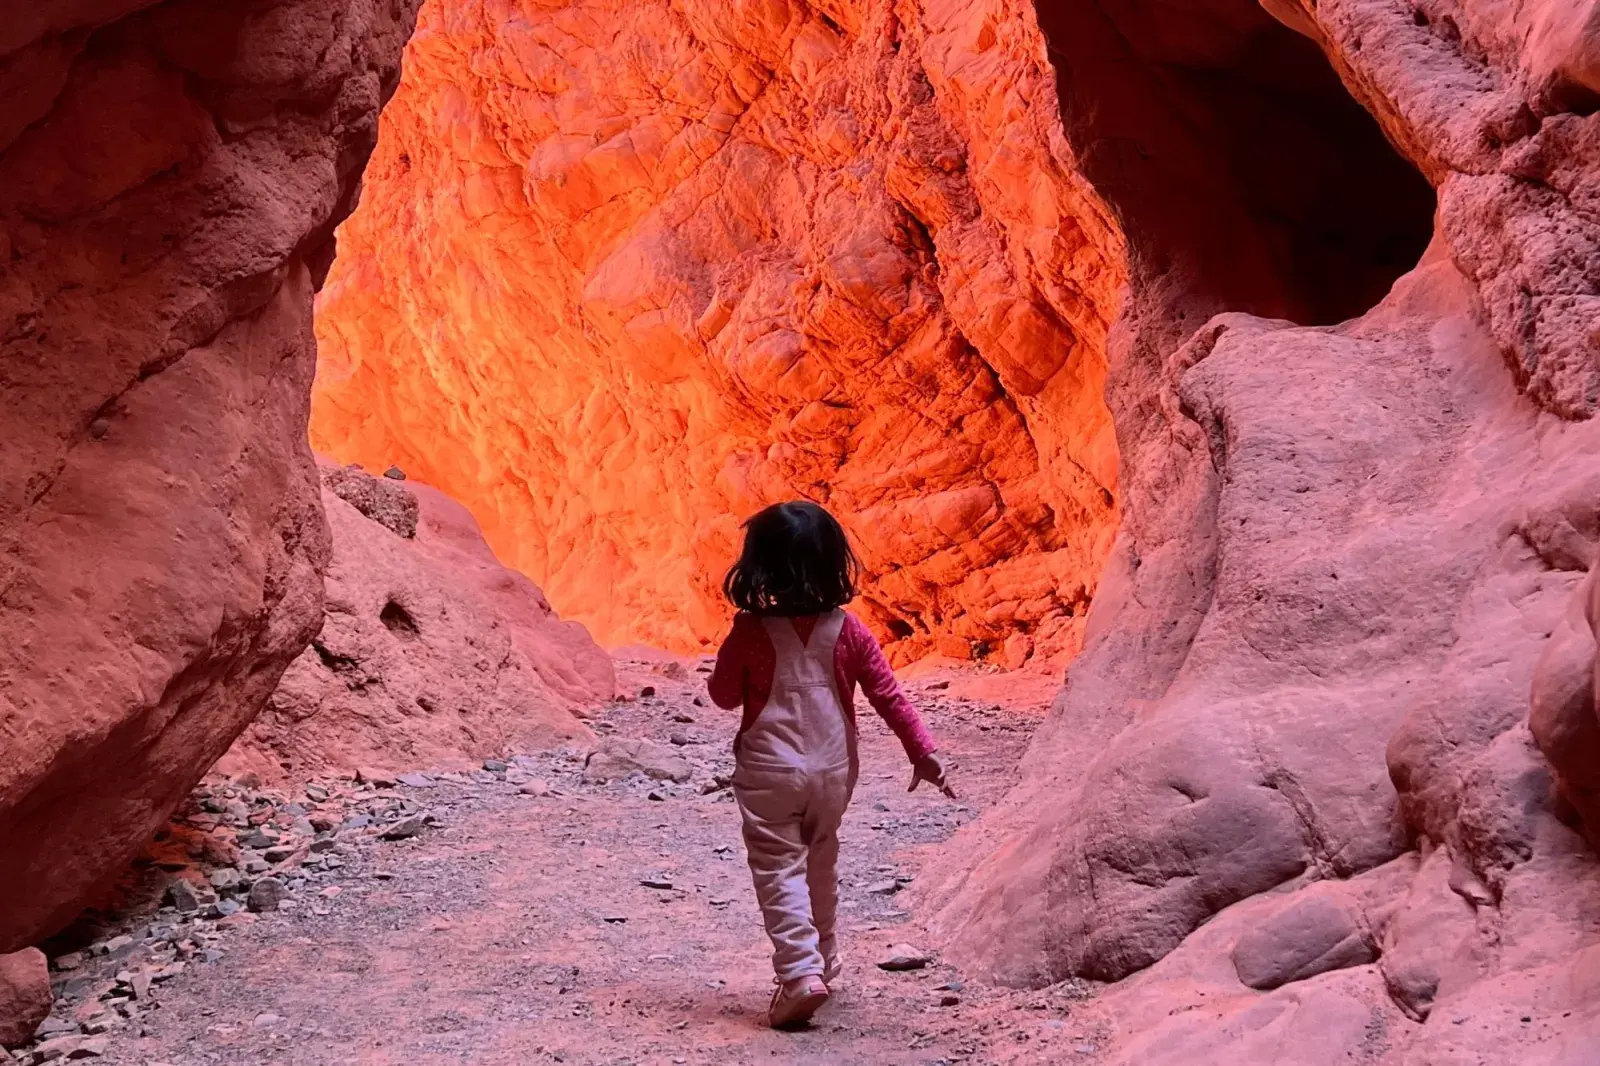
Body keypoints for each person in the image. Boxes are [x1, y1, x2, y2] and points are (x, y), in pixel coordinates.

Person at [707, 500, 953, 1029]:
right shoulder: (850, 631)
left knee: (778, 867)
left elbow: (724, 696)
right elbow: (889, 695)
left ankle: (799, 974)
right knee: (821, 859)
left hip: (770, 769)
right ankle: (825, 960)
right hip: (833, 769)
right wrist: (922, 751)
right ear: (832, 563)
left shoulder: (750, 631)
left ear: (758, 567)